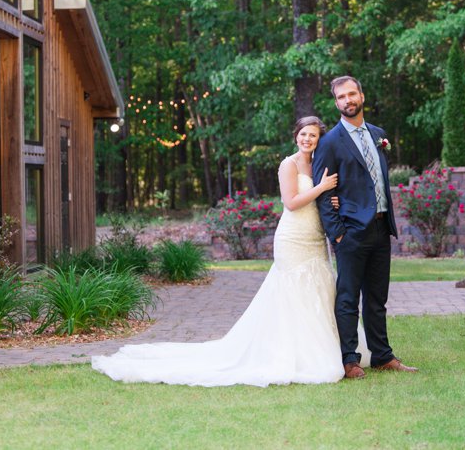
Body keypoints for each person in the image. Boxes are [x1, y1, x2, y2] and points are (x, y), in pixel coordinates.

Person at [92, 116, 365, 387]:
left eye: (313, 135)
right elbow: (291, 202)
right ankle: (296, 356)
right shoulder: (289, 164)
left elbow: (321, 199)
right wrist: (321, 188)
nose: (307, 139)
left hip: (316, 237)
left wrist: (331, 198)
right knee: (294, 293)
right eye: (303, 134)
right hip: (293, 237)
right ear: (296, 136)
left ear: (319, 139)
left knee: (319, 289)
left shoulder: (318, 163)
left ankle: (329, 350)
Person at [313, 75, 418, 378]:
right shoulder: (329, 142)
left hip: (381, 228)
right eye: (341, 97)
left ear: (361, 96)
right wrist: (338, 234)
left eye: (351, 94)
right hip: (351, 233)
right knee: (348, 299)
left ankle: (383, 356)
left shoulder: (378, 134)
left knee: (377, 298)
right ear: (336, 102)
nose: (347, 100)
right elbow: (324, 193)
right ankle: (350, 360)